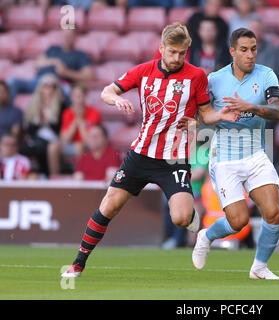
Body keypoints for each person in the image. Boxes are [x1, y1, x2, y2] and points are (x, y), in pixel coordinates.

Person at [61, 23, 240, 278]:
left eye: (182, 53)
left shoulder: (197, 76)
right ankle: (78, 263)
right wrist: (118, 99)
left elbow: (206, 113)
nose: (177, 58)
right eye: (172, 52)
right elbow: (106, 91)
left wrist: (214, 116)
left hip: (174, 159)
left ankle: (189, 216)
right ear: (161, 49)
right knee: (109, 206)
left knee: (180, 217)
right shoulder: (143, 71)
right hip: (140, 155)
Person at [190, 28, 279, 280]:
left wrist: (251, 107)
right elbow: (201, 112)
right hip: (225, 157)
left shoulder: (266, 75)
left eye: (253, 49)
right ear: (232, 51)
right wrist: (193, 123)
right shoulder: (214, 80)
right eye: (243, 50)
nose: (250, 55)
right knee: (238, 221)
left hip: (255, 152)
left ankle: (259, 268)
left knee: (274, 213)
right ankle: (206, 235)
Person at [7, 29, 93, 104]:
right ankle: (6, 113)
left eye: (69, 35)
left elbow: (88, 76)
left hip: (58, 84)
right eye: (64, 35)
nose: (66, 38)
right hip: (38, 81)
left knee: (69, 92)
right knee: (12, 82)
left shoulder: (80, 55)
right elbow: (37, 63)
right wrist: (55, 62)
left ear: (75, 37)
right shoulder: (52, 49)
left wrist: (66, 72)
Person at [20, 74, 68, 177]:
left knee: (41, 147)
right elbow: (30, 130)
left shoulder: (61, 105)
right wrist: (39, 120)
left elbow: (60, 128)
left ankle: (45, 175)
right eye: (46, 85)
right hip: (37, 138)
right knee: (26, 148)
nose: (50, 89)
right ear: (41, 88)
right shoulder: (34, 104)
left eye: (53, 86)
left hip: (54, 138)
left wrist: (47, 120)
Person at [59, 83, 102, 164]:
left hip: (88, 145)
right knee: (53, 147)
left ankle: (80, 172)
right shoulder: (67, 113)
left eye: (80, 95)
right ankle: (54, 175)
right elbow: (65, 139)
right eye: (75, 95)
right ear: (71, 97)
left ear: (85, 96)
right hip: (70, 145)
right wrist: (76, 120)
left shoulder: (94, 113)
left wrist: (80, 121)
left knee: (79, 146)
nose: (78, 99)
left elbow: (89, 140)